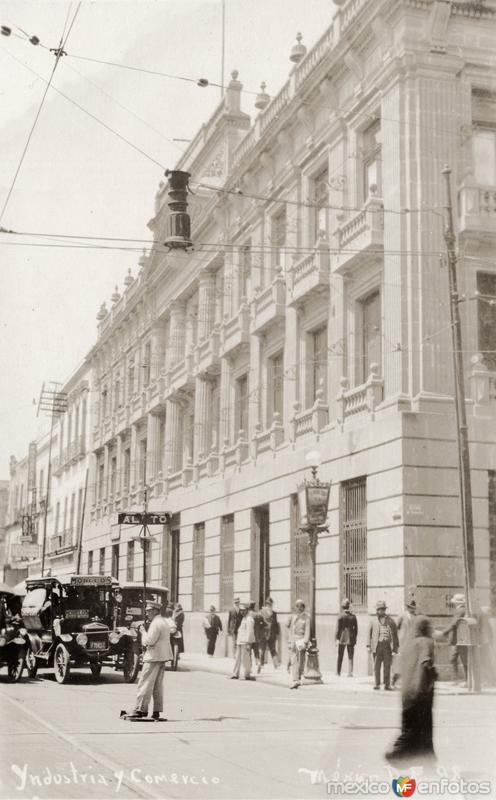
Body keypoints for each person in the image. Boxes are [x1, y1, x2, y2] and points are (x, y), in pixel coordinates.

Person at [385, 616, 437, 765]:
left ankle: (425, 758)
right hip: (421, 693)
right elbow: (426, 663)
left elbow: (399, 669)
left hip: (407, 694)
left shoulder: (408, 645)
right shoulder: (426, 642)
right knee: (423, 727)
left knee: (408, 725)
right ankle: (399, 755)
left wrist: (395, 679)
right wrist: (432, 675)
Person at [132, 601, 176, 720]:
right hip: (162, 657)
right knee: (157, 685)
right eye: (146, 611)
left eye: (148, 611)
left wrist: (142, 632)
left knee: (145, 683)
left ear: (155, 611)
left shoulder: (156, 623)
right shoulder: (163, 622)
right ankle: (156, 711)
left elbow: (149, 641)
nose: (147, 614)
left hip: (153, 657)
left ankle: (140, 709)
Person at [368, 600, 399, 690]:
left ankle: (387, 684)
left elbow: (395, 635)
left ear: (384, 610)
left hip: (387, 646)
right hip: (377, 646)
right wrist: (368, 646)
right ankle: (377, 684)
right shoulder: (373, 621)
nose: (379, 611)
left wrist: (395, 649)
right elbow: (369, 634)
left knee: (387, 666)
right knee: (377, 666)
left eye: (381, 609)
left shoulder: (391, 621)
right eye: (378, 610)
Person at [441, 593, 467, 685]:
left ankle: (464, 680)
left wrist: (444, 632)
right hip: (459, 639)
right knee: (455, 658)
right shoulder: (461, 610)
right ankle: (459, 679)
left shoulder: (460, 611)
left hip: (458, 639)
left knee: (459, 659)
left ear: (457, 603)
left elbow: (453, 624)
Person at [392, 599, 417, 687]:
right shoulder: (402, 616)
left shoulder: (415, 617)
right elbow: (395, 628)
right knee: (400, 663)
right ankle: (394, 680)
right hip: (402, 642)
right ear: (407, 607)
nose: (412, 609)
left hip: (411, 643)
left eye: (413, 608)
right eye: (410, 607)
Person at [287, 599, 310, 689]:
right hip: (293, 640)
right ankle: (295, 679)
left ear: (303, 607)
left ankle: (299, 677)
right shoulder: (293, 617)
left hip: (301, 641)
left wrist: (305, 641)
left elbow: (307, 631)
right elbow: (289, 628)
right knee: (293, 660)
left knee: (301, 661)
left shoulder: (306, 618)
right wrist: (289, 641)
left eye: (301, 606)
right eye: (297, 606)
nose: (299, 608)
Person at [230, 603, 256, 680]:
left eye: (243, 610)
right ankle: (235, 674)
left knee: (246, 659)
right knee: (237, 658)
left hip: (245, 642)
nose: (242, 612)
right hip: (240, 641)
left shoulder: (249, 619)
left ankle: (247, 675)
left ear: (247, 610)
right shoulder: (244, 618)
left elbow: (250, 632)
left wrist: (248, 643)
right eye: (241, 610)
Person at [335, 598, 358, 677]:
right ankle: (350, 672)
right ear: (349, 607)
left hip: (342, 638)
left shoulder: (340, 616)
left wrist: (336, 639)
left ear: (342, 607)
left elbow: (338, 629)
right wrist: (355, 639)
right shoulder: (353, 617)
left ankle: (338, 672)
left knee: (340, 655)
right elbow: (356, 630)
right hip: (351, 638)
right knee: (350, 656)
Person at [260, 597, 280, 670]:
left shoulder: (274, 613)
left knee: (273, 649)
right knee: (262, 649)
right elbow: (260, 623)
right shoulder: (262, 612)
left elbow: (276, 624)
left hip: (272, 635)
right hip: (264, 634)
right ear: (266, 604)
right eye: (268, 604)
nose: (269, 605)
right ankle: (261, 664)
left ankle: (276, 664)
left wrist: (277, 634)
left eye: (270, 604)